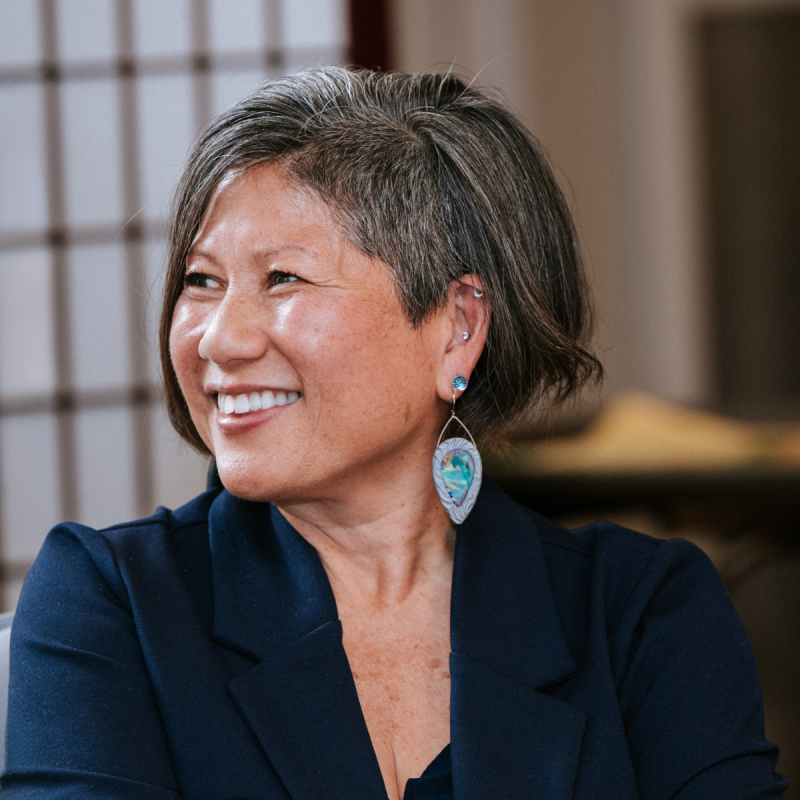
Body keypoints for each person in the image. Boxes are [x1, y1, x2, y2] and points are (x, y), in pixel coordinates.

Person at [2, 68, 786, 800]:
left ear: (457, 327)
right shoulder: (113, 604)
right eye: (202, 281)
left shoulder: (640, 613)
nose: (216, 340)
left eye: (283, 278)